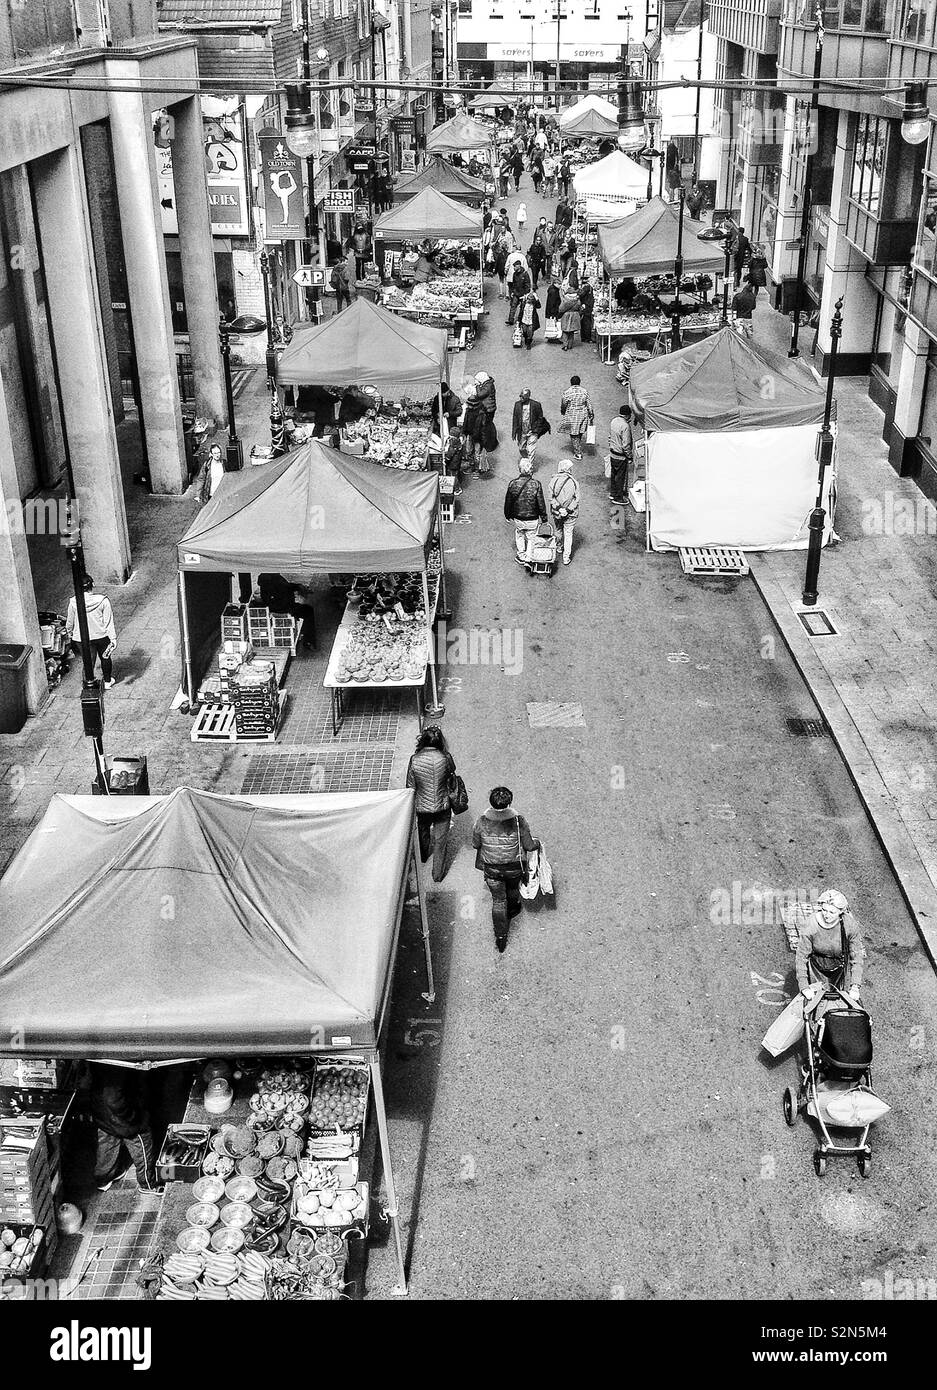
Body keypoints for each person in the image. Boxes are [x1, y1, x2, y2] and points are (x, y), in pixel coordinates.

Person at [472, 787, 541, 952]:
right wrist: (538, 844)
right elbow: (529, 845)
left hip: (491, 870)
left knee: (498, 901)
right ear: (510, 803)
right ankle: (512, 909)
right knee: (512, 890)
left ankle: (501, 937)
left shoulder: (481, 822)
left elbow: (475, 844)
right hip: (513, 868)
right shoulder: (519, 821)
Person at [90, 1063, 160, 1192]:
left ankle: (103, 1178)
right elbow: (112, 1098)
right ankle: (148, 1184)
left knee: (108, 1140)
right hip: (121, 1115)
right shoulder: (119, 1062)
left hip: (101, 1110)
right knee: (142, 1143)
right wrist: (133, 1116)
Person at [406, 725, 457, 883]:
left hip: (422, 807)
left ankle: (422, 855)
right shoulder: (445, 757)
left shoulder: (415, 760)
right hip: (443, 805)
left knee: (423, 831)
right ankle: (437, 875)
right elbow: (452, 771)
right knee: (441, 841)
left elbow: (410, 786)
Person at [795, 890, 866, 1002]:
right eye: (824, 910)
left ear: (841, 912)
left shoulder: (849, 926)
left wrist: (855, 986)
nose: (826, 915)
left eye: (832, 912)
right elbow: (801, 956)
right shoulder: (811, 924)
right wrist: (804, 985)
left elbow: (856, 956)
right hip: (816, 967)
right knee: (816, 1003)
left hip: (840, 966)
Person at [66, 574, 117, 688]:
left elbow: (70, 622)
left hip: (82, 638)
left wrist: (70, 633)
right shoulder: (103, 600)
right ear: (92, 585)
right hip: (101, 636)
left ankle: (87, 684)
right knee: (105, 656)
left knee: (88, 662)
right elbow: (108, 622)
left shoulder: (74, 602)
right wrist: (112, 638)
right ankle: (108, 681)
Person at [503, 456, 547, 564]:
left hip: (518, 517)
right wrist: (544, 517)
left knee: (520, 534)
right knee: (532, 537)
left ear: (520, 469)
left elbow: (508, 501)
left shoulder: (513, 483)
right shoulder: (536, 484)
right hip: (533, 518)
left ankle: (521, 555)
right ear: (530, 469)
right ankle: (529, 557)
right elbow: (540, 502)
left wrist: (507, 515)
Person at [547, 459, 580, 566]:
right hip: (570, 514)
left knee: (558, 530)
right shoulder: (574, 482)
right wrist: (567, 510)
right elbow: (576, 499)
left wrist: (559, 508)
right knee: (568, 533)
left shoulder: (553, 481)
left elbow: (550, 497)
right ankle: (566, 558)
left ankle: (559, 547)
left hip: (557, 512)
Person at [560, 374, 594, 460]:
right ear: (579, 383)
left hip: (572, 415)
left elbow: (564, 404)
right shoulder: (584, 391)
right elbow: (589, 404)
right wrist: (591, 414)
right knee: (580, 432)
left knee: (573, 434)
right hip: (583, 414)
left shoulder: (567, 392)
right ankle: (578, 446)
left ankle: (578, 452)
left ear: (571, 383)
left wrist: (563, 412)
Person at [608, 401, 634, 505]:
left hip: (612, 452)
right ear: (628, 415)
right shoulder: (625, 426)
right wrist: (630, 456)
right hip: (620, 456)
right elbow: (626, 444)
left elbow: (610, 436)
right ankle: (618, 497)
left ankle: (613, 493)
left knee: (614, 474)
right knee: (620, 477)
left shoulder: (614, 421)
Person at [511, 386, 546, 463]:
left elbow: (540, 418)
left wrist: (536, 429)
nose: (521, 398)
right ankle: (526, 459)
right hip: (522, 431)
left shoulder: (536, 405)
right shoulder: (517, 405)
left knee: (531, 450)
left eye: (523, 397)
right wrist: (514, 432)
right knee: (521, 448)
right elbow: (515, 419)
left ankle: (529, 467)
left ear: (528, 397)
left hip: (532, 431)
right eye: (520, 396)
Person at [474, 370, 499, 453]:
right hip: (489, 408)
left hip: (488, 409)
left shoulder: (488, 386)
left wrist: (477, 386)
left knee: (486, 428)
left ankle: (489, 445)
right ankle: (491, 443)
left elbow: (480, 395)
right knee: (488, 426)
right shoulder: (488, 384)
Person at [507, 259, 532, 326]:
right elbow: (514, 284)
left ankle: (520, 321)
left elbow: (528, 285)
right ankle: (510, 320)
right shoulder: (514, 274)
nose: (514, 268)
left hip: (523, 294)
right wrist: (513, 292)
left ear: (518, 266)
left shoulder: (525, 274)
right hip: (516, 293)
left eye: (515, 266)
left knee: (522, 308)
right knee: (513, 306)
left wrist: (525, 294)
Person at [493, 233, 510, 299]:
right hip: (507, 270)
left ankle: (501, 293)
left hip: (500, 269)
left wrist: (495, 269)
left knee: (501, 281)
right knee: (507, 282)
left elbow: (497, 262)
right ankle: (507, 295)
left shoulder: (499, 254)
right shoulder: (509, 254)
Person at [578, 278, 595, 343]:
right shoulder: (587, 287)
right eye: (594, 281)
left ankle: (584, 337)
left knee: (584, 321)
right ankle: (587, 338)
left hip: (587, 306)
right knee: (587, 322)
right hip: (587, 307)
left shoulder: (588, 287)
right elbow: (581, 295)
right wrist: (584, 303)